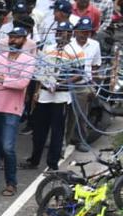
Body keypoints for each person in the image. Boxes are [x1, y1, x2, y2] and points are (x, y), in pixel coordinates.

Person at [0, 27, 36, 196]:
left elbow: (23, 83)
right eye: (11, 37)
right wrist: (10, 81)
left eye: (17, 38)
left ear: (24, 40)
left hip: (13, 109)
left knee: (8, 147)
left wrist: (2, 79)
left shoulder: (28, 60)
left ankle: (11, 183)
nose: (13, 41)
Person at [25, 21, 85, 171]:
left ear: (70, 34)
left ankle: (52, 164)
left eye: (63, 32)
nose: (60, 35)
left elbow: (79, 74)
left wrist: (61, 83)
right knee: (39, 129)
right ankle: (34, 160)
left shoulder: (77, 51)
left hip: (61, 96)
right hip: (45, 94)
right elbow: (40, 70)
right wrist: (37, 91)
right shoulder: (48, 48)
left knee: (57, 131)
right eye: (58, 32)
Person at [70, 17, 102, 151]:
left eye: (87, 32)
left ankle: (81, 140)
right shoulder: (69, 44)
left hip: (84, 84)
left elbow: (95, 66)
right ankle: (61, 141)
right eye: (81, 31)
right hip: (67, 84)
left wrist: (93, 86)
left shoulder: (95, 45)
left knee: (82, 115)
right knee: (64, 116)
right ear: (75, 31)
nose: (84, 34)